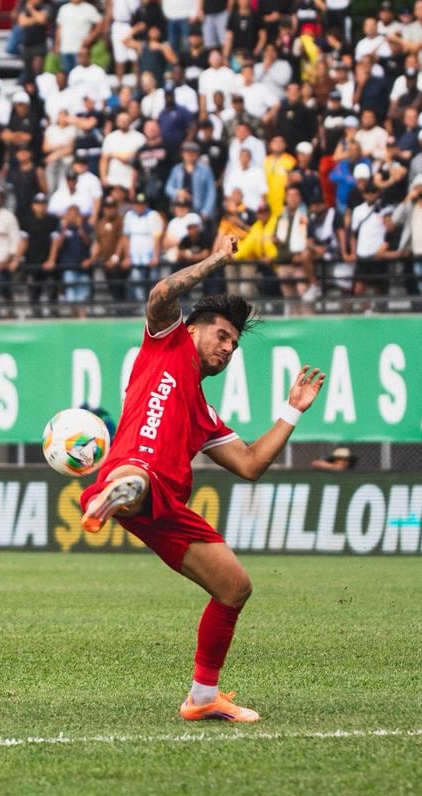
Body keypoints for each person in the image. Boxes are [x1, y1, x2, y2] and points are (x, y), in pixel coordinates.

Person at [78, 233, 326, 724]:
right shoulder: (164, 343)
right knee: (136, 475)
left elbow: (252, 464)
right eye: (222, 335)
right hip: (134, 472)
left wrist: (291, 413)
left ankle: (203, 697)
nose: (229, 348)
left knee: (235, 587)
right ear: (192, 329)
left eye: (235, 343)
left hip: (168, 512)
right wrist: (217, 259)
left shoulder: (205, 413)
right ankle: (113, 495)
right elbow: (160, 296)